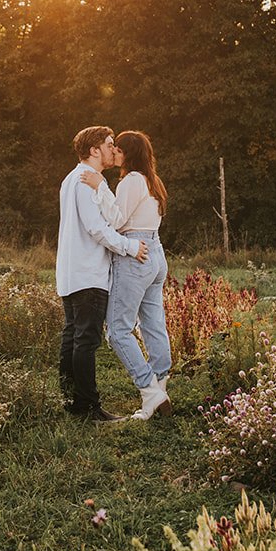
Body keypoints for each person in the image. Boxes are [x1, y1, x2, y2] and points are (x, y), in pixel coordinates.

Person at [56, 126, 149, 422]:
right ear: (94, 150)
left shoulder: (70, 179)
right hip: (88, 272)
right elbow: (96, 228)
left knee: (73, 337)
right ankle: (88, 408)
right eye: (109, 144)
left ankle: (72, 401)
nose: (113, 149)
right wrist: (130, 247)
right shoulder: (84, 181)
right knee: (86, 340)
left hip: (71, 272)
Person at [84, 129, 172, 420]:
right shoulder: (152, 180)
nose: (114, 152)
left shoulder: (131, 181)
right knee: (153, 324)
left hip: (137, 254)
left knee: (118, 330)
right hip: (156, 253)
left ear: (128, 154)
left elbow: (117, 220)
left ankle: (150, 392)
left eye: (118, 149)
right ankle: (160, 386)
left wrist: (100, 187)